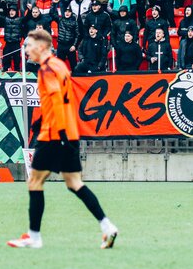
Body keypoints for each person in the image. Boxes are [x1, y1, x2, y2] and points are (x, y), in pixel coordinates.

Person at [8, 28, 118, 249]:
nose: (26, 50)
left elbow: (57, 98)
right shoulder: (60, 65)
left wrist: (54, 131)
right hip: (69, 132)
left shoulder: (47, 69)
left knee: (35, 182)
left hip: (54, 134)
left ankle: (34, 237)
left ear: (41, 47)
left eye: (29, 45)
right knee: (74, 183)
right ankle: (107, 227)